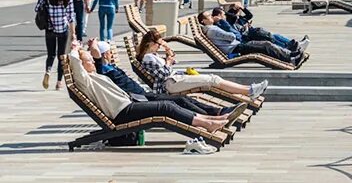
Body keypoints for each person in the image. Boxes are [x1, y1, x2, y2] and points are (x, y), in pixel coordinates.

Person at [67, 41, 234, 138]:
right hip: (122, 112)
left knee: (170, 105)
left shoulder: (94, 75)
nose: (92, 62)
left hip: (129, 104)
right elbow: (75, 60)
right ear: (83, 65)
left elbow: (92, 60)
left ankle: (209, 119)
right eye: (89, 60)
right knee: (165, 107)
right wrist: (75, 47)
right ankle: (208, 123)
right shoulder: (86, 79)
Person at [89, 40, 238, 117]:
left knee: (183, 99)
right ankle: (210, 116)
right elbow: (96, 56)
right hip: (137, 98)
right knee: (178, 100)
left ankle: (217, 112)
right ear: (103, 55)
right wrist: (93, 46)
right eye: (108, 52)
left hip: (143, 93)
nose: (111, 54)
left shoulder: (110, 67)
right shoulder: (102, 71)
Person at [137, 30, 267, 98]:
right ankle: (249, 91)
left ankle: (248, 90)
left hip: (175, 79)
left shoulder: (152, 56)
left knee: (214, 79)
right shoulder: (148, 57)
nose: (160, 46)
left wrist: (168, 54)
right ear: (151, 44)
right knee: (213, 79)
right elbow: (162, 75)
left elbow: (167, 66)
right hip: (170, 84)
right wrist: (168, 62)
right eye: (159, 44)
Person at [197, 11, 302, 65]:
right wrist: (222, 21)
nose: (212, 17)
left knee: (265, 44)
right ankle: (290, 58)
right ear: (203, 21)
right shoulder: (212, 30)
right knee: (265, 45)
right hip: (236, 49)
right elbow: (231, 36)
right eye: (209, 16)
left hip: (237, 46)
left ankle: (290, 55)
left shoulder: (211, 29)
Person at [35, 0, 75, 89]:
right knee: (61, 55)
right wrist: (74, 34)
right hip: (62, 29)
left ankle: (48, 71)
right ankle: (59, 82)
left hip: (49, 28)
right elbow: (71, 17)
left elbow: (37, 8)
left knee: (51, 54)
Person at [210, 5, 308, 53]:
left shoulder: (229, 21)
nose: (225, 15)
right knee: (266, 37)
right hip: (244, 39)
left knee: (273, 36)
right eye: (223, 14)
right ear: (218, 15)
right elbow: (235, 35)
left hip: (246, 35)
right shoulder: (224, 23)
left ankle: (293, 45)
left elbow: (249, 15)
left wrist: (242, 8)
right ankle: (289, 48)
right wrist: (225, 17)